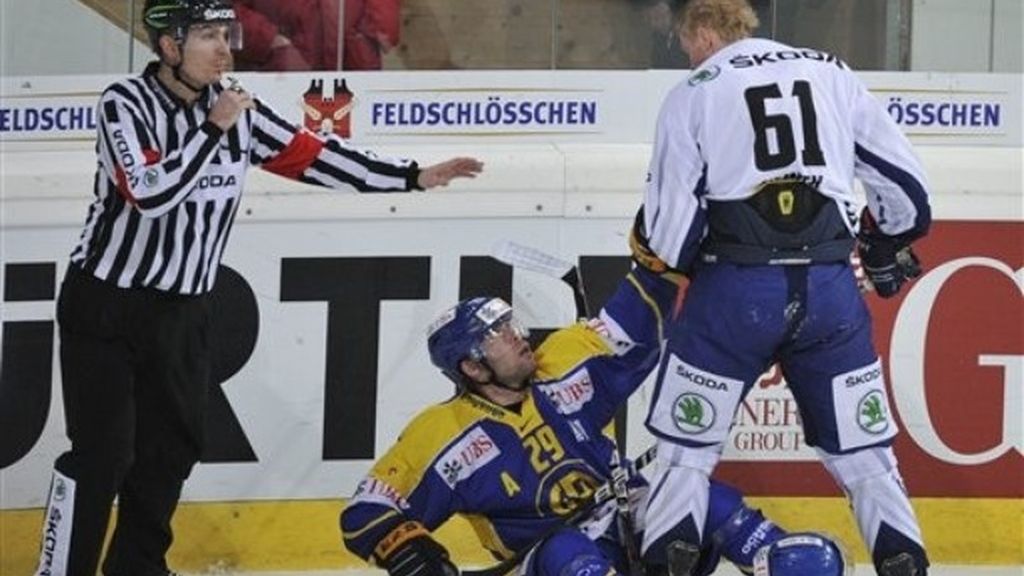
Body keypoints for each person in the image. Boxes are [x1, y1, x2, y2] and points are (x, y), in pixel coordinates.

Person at [31, 1, 481, 575]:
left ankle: (136, 568)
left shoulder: (237, 107)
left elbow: (313, 157)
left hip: (184, 310)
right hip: (107, 306)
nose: (225, 49)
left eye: (226, 34)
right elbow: (149, 194)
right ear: (169, 47)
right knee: (100, 458)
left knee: (169, 452)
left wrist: (413, 176)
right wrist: (213, 128)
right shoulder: (127, 104)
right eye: (207, 37)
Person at [632, 0, 931, 575]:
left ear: (701, 29)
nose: (687, 53)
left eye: (686, 40)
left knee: (684, 456)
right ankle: (905, 562)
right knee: (867, 457)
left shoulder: (695, 90)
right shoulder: (834, 72)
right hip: (829, 291)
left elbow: (669, 238)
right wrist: (884, 241)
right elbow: (909, 193)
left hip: (734, 292)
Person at [340, 261, 850, 576]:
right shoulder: (442, 433)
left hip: (625, 517)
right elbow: (366, 510)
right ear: (472, 367)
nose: (517, 334)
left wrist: (662, 255)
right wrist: (410, 552)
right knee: (571, 557)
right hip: (549, 558)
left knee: (713, 505)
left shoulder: (562, 360)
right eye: (497, 334)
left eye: (509, 322)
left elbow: (632, 318)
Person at [233, 0, 400, 71]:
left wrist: (372, 35)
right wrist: (270, 41)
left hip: (353, 76)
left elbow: (384, 16)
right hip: (276, 80)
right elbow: (225, 13)